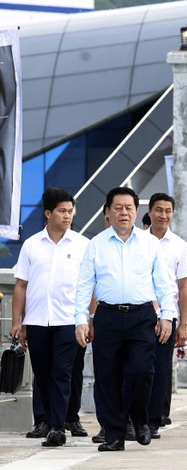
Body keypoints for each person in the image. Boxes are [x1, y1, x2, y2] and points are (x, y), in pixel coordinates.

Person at [74, 187, 177, 452]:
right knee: (108, 377)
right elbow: (85, 285)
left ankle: (140, 418)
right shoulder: (96, 244)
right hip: (107, 315)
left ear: (136, 212)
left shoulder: (149, 243)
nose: (123, 212)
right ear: (107, 212)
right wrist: (81, 319)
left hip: (142, 315)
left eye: (129, 207)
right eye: (117, 207)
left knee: (143, 371)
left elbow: (164, 284)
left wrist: (167, 316)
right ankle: (114, 434)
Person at [11, 188, 90, 447]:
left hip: (68, 320)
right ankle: (43, 421)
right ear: (48, 213)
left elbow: (91, 286)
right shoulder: (32, 245)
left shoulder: (82, 245)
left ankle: (58, 426)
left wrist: (88, 319)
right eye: (62, 211)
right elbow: (21, 286)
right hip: (36, 321)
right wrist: (17, 322)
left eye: (71, 211)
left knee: (62, 372)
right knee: (42, 373)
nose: (68, 216)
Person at [145, 193, 187, 438]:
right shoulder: (137, 241)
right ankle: (136, 418)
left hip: (167, 316)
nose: (163, 215)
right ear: (150, 212)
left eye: (168, 211)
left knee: (161, 369)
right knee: (138, 368)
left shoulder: (179, 245)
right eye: (159, 210)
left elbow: (183, 288)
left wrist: (183, 324)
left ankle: (154, 420)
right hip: (140, 315)